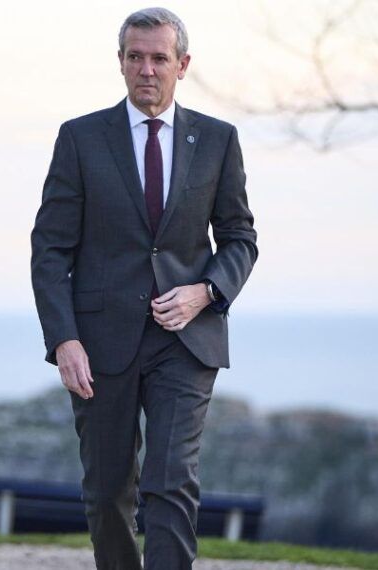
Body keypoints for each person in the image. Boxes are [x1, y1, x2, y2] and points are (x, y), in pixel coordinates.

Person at [30, 7, 258, 570]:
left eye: (159, 58)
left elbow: (239, 238)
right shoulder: (80, 139)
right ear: (121, 63)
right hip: (99, 341)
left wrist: (205, 291)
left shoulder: (219, 140)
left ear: (183, 65)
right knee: (107, 492)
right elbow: (50, 249)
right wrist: (64, 340)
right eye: (136, 57)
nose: (147, 69)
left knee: (170, 480)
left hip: (186, 338)